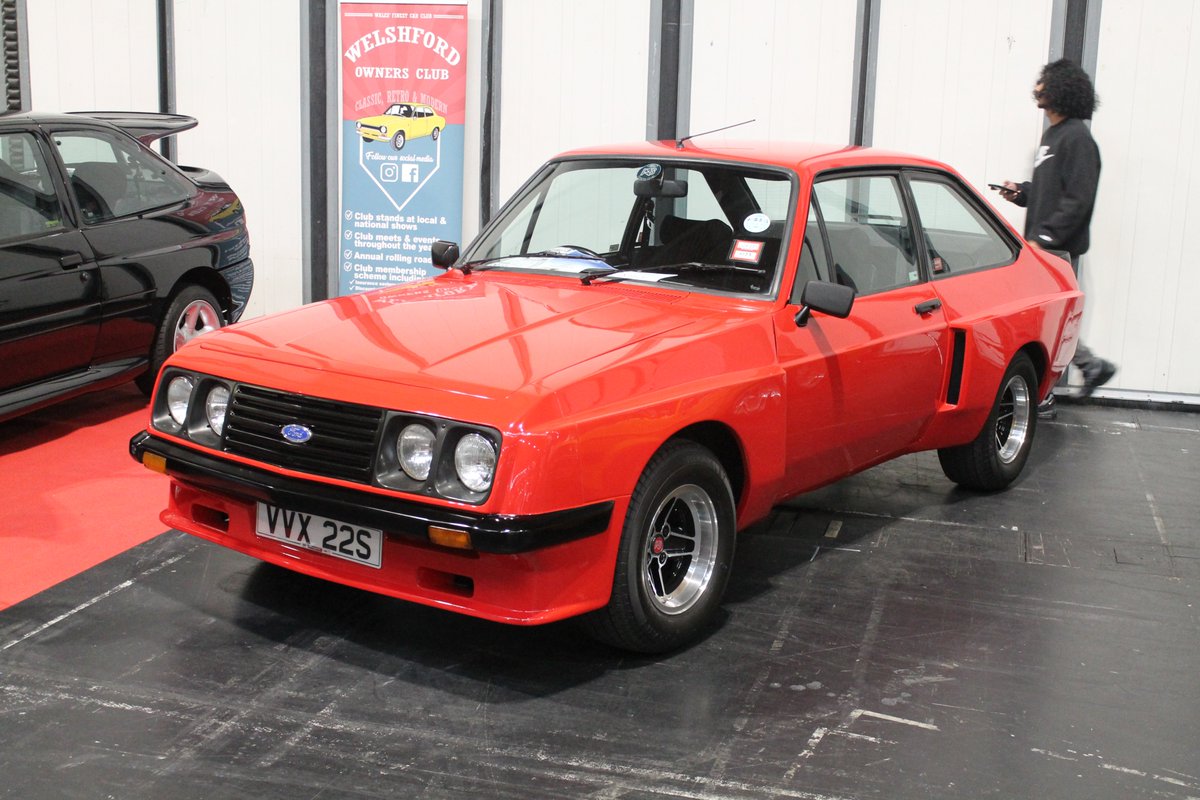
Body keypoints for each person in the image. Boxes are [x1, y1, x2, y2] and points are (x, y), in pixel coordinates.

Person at [998, 58, 1116, 418]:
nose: (1037, 88)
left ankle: (1053, 387)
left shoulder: (1079, 139)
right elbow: (1053, 190)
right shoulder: (1053, 136)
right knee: (1046, 321)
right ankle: (1086, 367)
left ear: (1060, 91)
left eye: (1044, 83)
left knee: (1047, 322)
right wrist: (1022, 192)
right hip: (1041, 247)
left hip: (1055, 248)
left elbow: (1079, 199)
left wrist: (1045, 238)